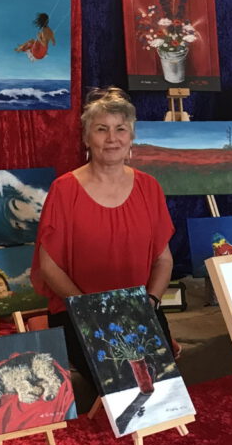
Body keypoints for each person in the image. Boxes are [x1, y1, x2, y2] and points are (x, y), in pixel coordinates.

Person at [31, 86, 175, 406]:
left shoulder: (150, 187)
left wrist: (151, 302)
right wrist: (89, 311)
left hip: (139, 312)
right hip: (79, 314)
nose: (112, 138)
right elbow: (48, 267)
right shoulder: (64, 190)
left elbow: (164, 260)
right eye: (101, 129)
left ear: (131, 136)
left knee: (163, 396)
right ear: (87, 138)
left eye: (120, 129)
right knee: (122, 390)